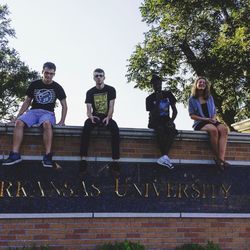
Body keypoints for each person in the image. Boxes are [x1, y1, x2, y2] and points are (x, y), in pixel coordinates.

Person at [2, 62, 67, 167]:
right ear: (42, 72)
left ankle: (47, 156)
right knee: (19, 123)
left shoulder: (57, 87)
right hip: (33, 112)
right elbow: (27, 102)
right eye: (46, 73)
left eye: (51, 74)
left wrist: (62, 121)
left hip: (48, 113)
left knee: (46, 124)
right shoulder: (34, 84)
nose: (48, 76)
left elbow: (64, 105)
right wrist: (17, 117)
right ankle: (15, 155)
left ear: (54, 74)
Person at [80, 68, 120, 170]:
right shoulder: (90, 92)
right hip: (95, 117)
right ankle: (83, 159)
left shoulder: (111, 90)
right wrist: (91, 117)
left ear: (104, 77)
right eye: (96, 76)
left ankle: (115, 161)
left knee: (115, 129)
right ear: (93, 78)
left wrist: (108, 117)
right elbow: (88, 110)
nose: (98, 78)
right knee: (86, 127)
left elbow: (111, 107)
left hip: (107, 117)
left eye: (100, 76)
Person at [188, 76, 229, 170]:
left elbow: (214, 112)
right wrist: (205, 119)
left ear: (206, 85)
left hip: (211, 120)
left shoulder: (209, 97)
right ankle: (219, 159)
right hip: (200, 122)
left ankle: (220, 159)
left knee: (224, 129)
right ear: (196, 85)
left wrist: (213, 119)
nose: (202, 84)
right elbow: (192, 115)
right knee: (214, 130)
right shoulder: (192, 99)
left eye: (204, 82)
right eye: (200, 82)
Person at [146, 74, 178, 169]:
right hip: (154, 120)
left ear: (161, 83)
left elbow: (175, 111)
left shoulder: (168, 94)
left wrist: (171, 121)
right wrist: (158, 101)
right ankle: (165, 156)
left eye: (159, 83)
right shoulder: (149, 98)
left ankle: (164, 156)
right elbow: (153, 114)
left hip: (166, 120)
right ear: (152, 86)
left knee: (171, 130)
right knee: (160, 130)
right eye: (155, 84)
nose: (157, 86)